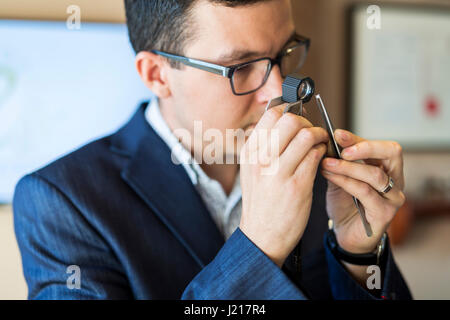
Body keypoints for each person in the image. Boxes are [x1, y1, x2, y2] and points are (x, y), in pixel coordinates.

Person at [13, 0, 412, 299]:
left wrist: (358, 256)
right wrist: (258, 247)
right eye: (240, 67)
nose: (278, 92)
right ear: (157, 75)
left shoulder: (321, 175)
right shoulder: (62, 202)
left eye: (282, 54)